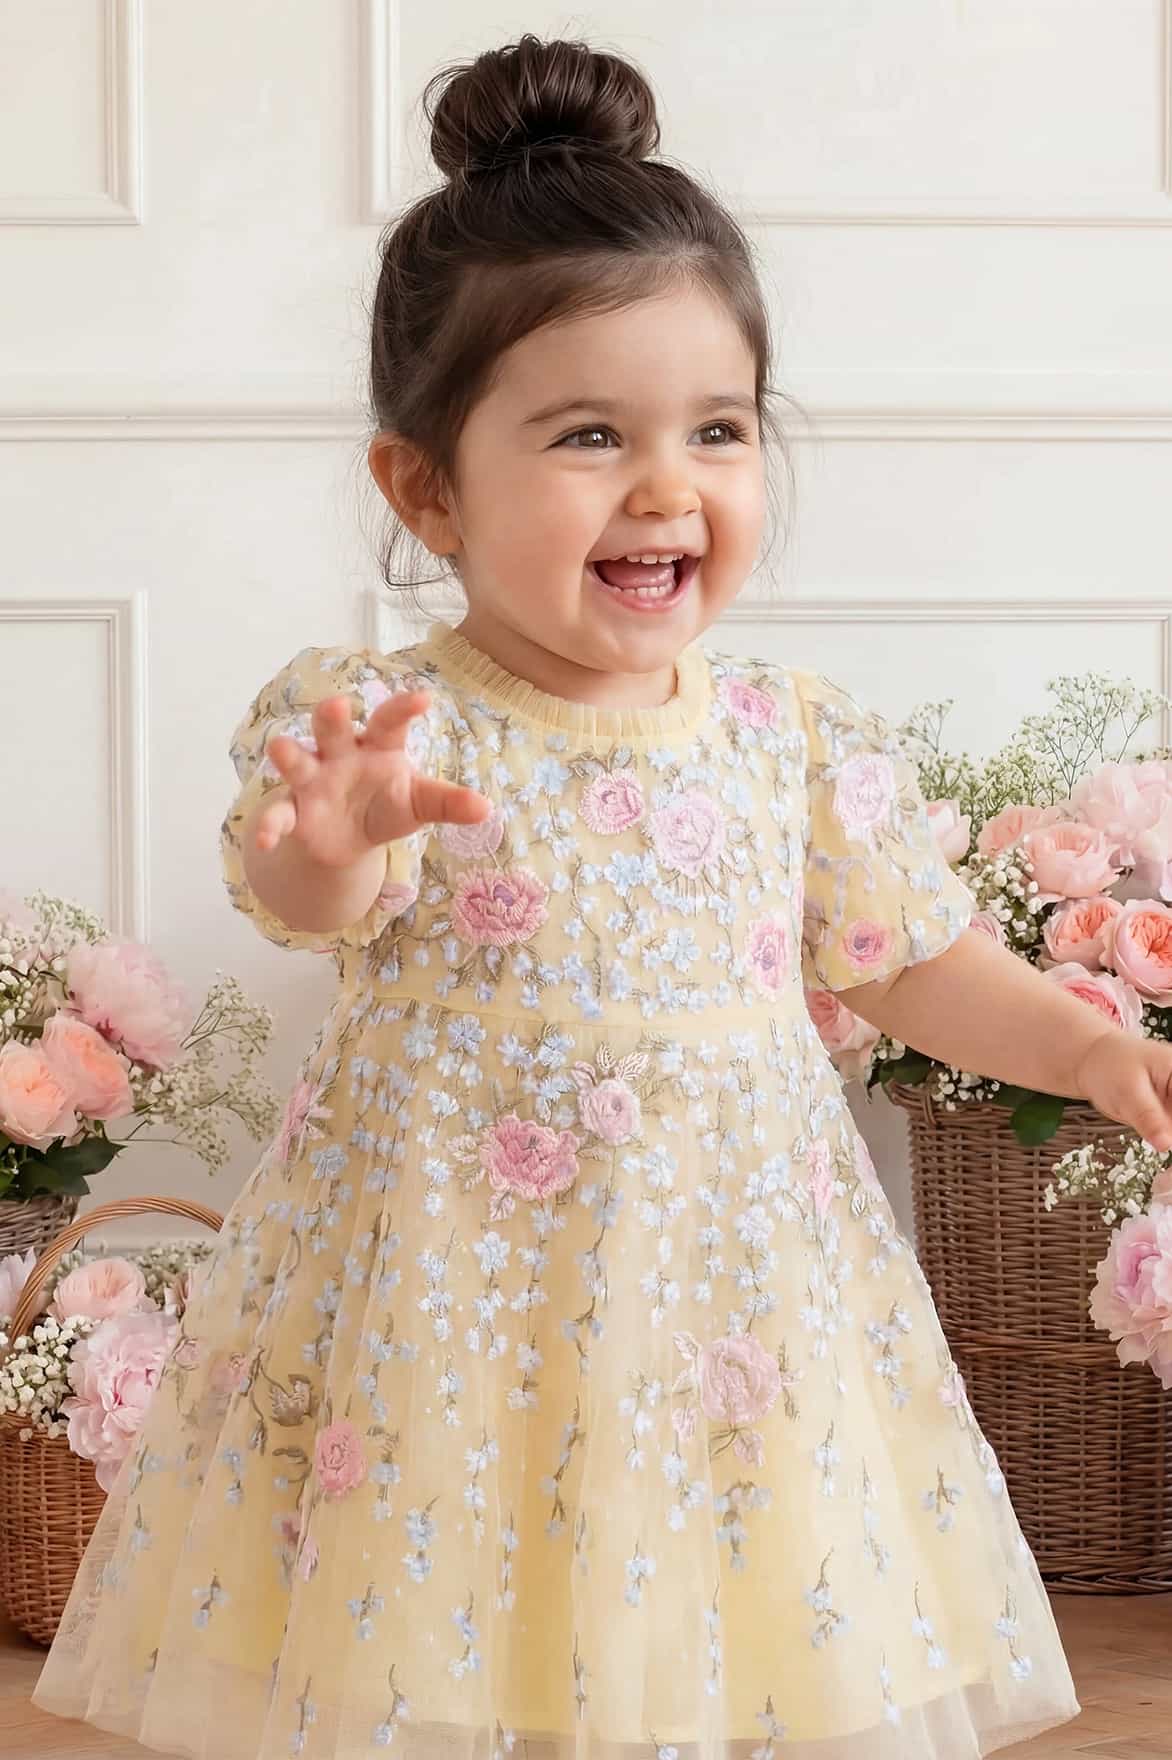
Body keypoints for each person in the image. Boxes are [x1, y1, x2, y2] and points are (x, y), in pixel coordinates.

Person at [32, 32, 1172, 1760]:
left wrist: (1085, 1049)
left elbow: (912, 959)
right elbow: (312, 896)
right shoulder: (387, 724)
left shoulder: (786, 734)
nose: (665, 486)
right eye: (588, 434)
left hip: (726, 1294)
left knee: (709, 1620)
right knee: (444, 1611)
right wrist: (333, 834)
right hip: (452, 1295)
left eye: (717, 429)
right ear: (426, 486)